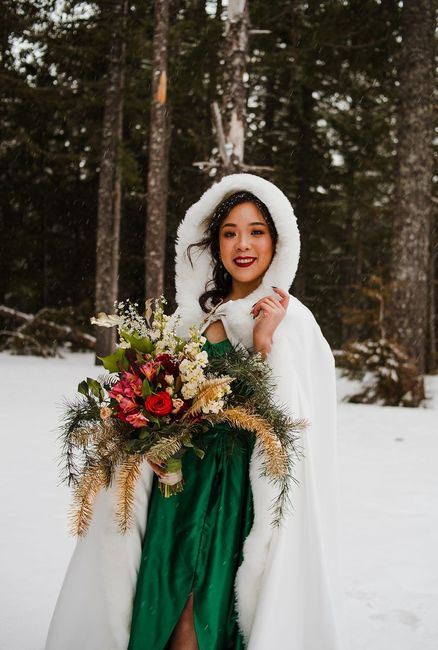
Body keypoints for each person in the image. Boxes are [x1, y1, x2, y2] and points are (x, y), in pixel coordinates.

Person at [45, 173, 344, 650]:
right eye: (230, 232)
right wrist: (149, 439)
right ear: (213, 242)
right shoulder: (195, 318)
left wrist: (263, 341)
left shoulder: (291, 319)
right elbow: (168, 392)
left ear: (276, 240)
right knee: (161, 598)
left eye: (256, 231)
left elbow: (289, 422)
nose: (242, 244)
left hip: (237, 494)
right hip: (177, 487)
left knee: (202, 614)